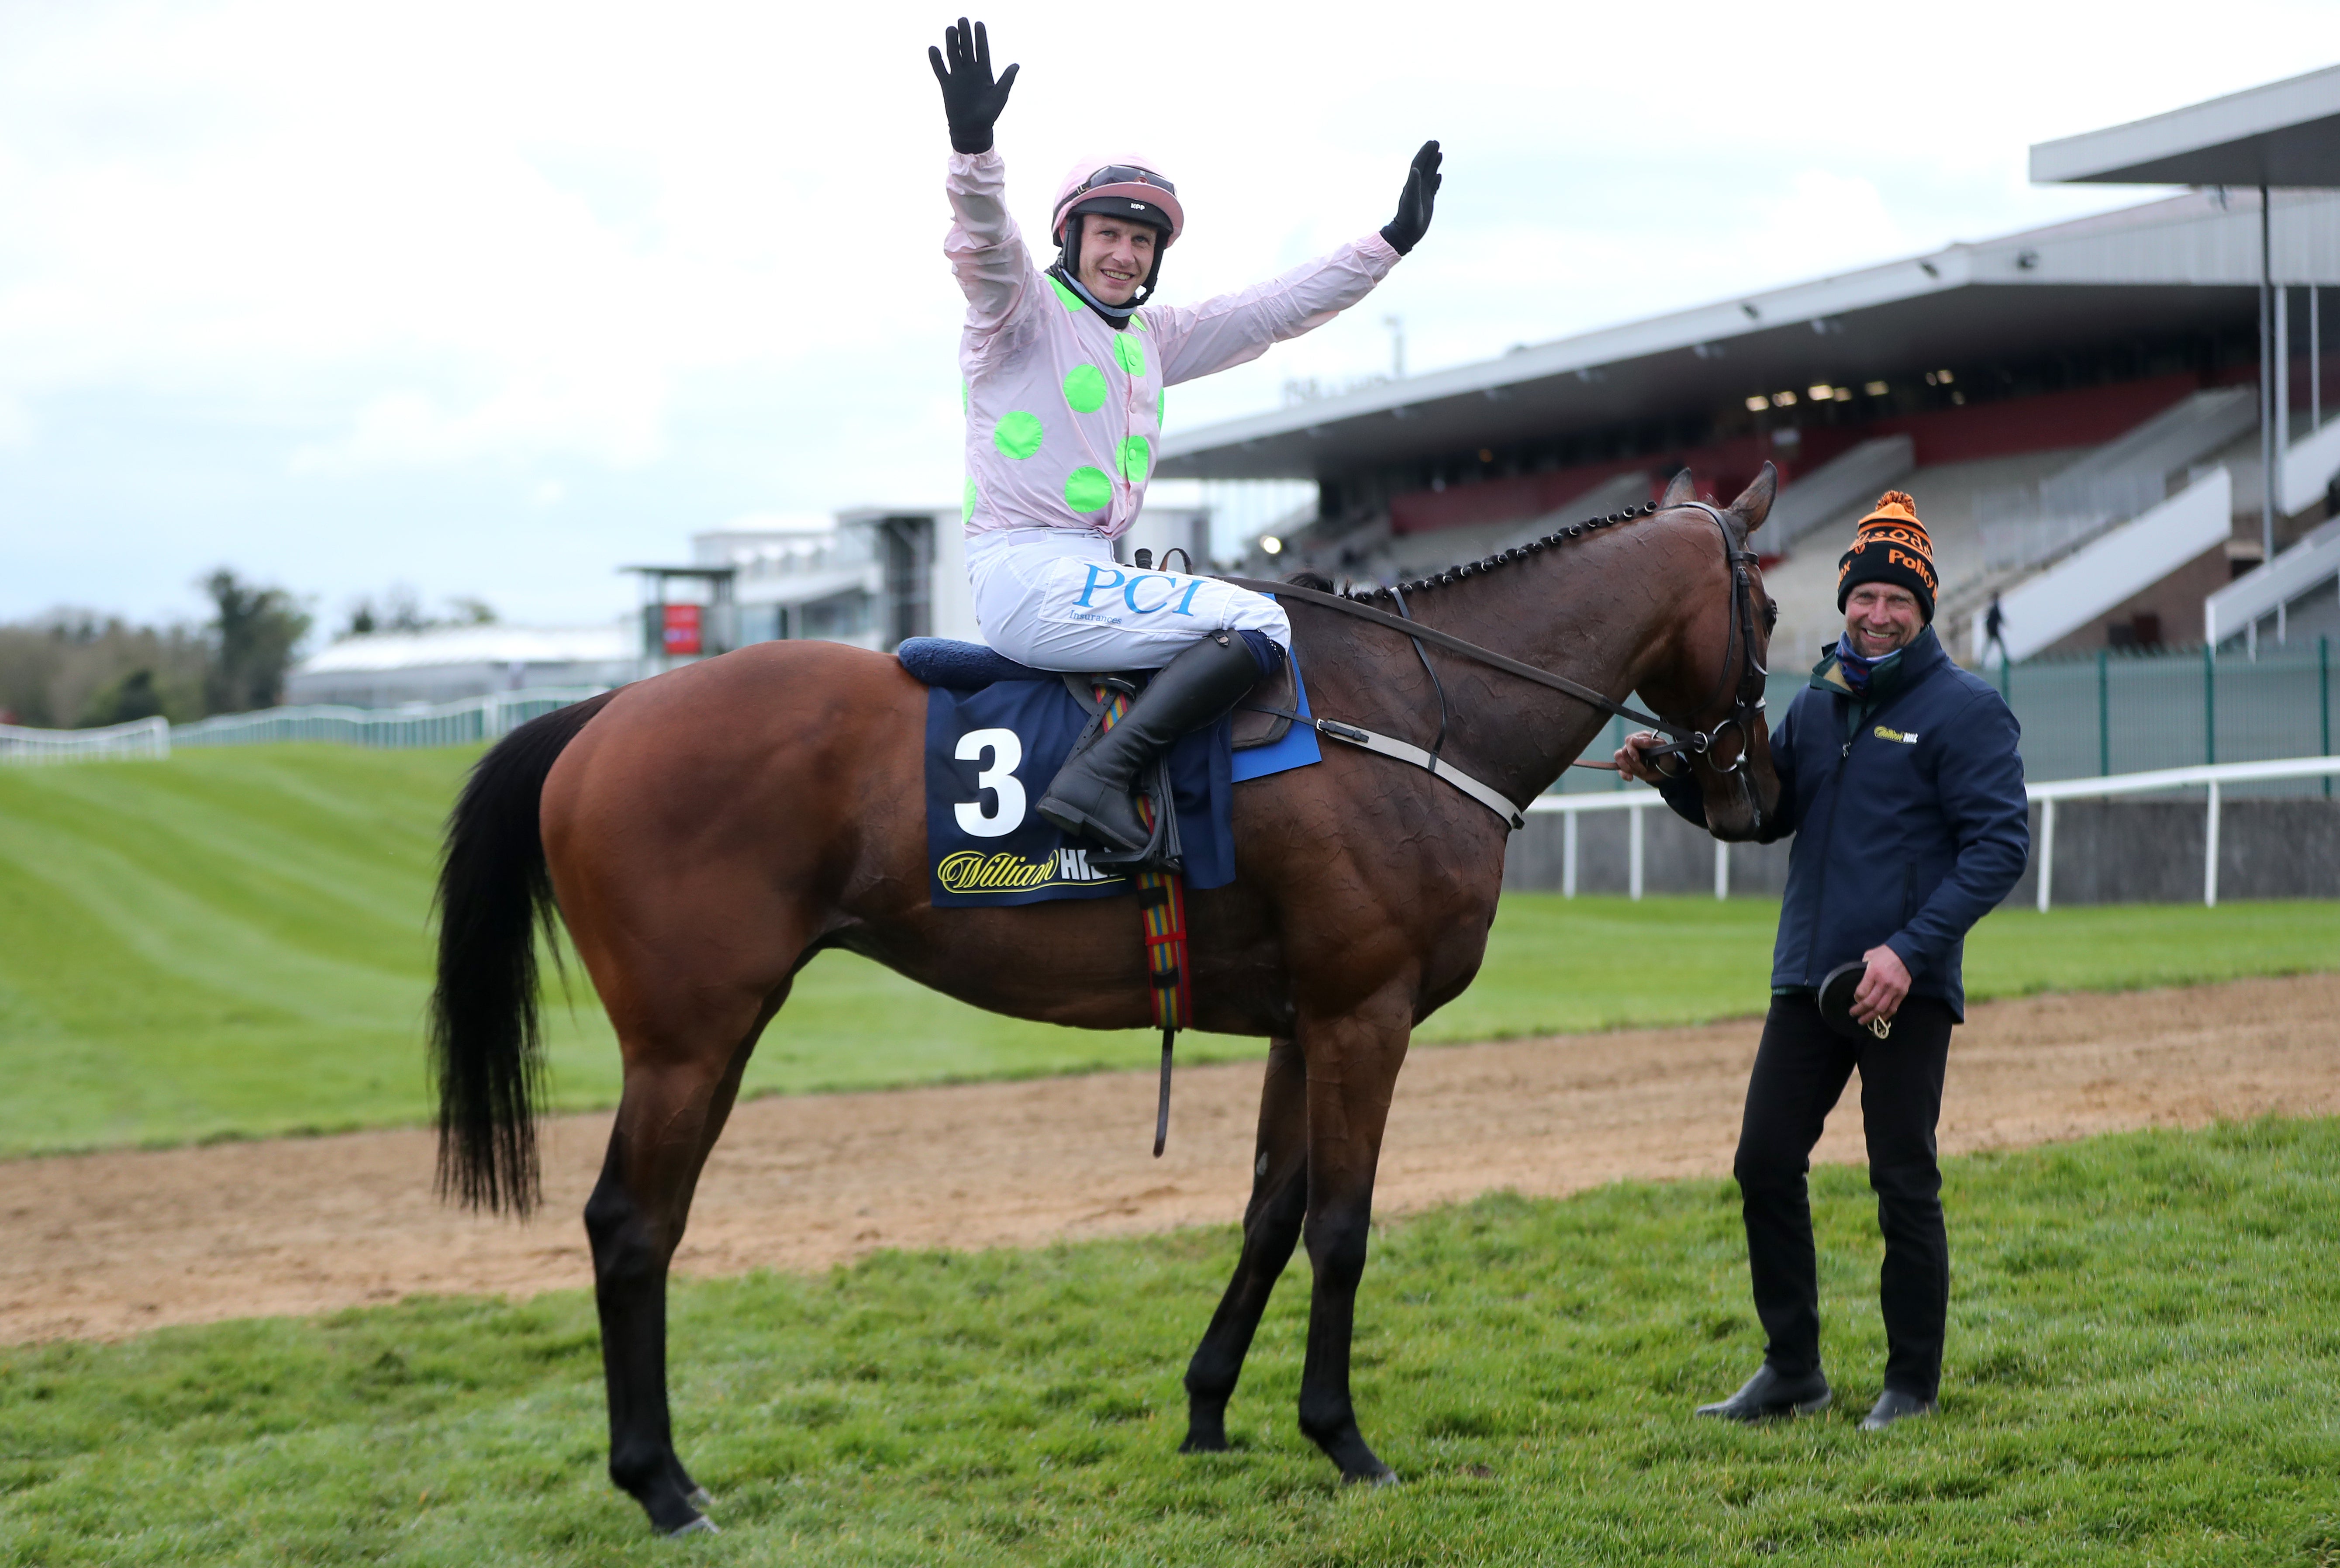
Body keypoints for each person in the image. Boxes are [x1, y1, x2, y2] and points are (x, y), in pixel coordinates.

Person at [929, 17, 1441, 859]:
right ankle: (1095, 780)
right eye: (1109, 236)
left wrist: (1388, 243)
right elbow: (984, 244)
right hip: (1028, 573)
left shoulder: (1148, 337)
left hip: (1085, 567)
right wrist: (974, 149)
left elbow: (1271, 311)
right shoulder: (1020, 311)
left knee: (1262, 610)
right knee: (1261, 621)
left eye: (1140, 241)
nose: (1124, 255)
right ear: (1069, 239)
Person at [1615, 491, 2029, 1431]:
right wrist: (1676, 779)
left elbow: (2000, 849)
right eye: (1864, 598)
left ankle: (1911, 1386)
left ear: (1923, 612)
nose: (1876, 615)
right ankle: (1793, 1369)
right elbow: (1765, 816)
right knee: (1764, 1162)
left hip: (1902, 990)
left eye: (1897, 602)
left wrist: (1912, 953)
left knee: (1902, 1181)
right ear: (1844, 603)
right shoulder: (1817, 700)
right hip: (1808, 981)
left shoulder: (1968, 711)